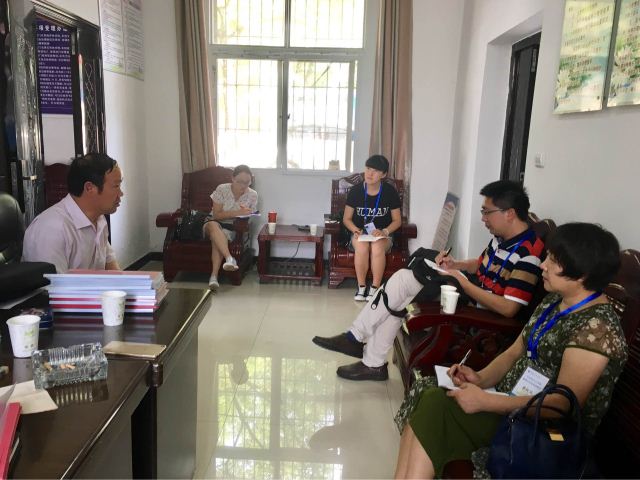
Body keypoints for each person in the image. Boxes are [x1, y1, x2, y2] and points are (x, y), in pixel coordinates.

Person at [393, 222, 628, 479]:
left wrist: (487, 401)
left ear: (582, 275)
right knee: (429, 390)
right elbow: (514, 352)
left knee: (438, 405)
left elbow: (561, 406)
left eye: (553, 261)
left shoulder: (598, 329)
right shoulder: (555, 301)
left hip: (540, 431)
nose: (543, 265)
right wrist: (479, 378)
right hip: (511, 401)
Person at [312, 180, 545, 381]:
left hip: (480, 315)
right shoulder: (502, 238)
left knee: (402, 288)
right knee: (401, 284)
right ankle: (365, 353)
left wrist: (462, 282)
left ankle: (361, 347)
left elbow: (509, 308)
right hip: (468, 294)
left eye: (487, 212)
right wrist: (456, 265)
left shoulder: (528, 253)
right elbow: (480, 264)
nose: (483, 218)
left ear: (509, 213)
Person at [22, 153, 123, 273]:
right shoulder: (52, 229)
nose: (121, 194)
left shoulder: (99, 219)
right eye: (116, 186)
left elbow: (110, 264)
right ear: (89, 188)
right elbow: (52, 283)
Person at [344, 154, 402, 302]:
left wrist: (384, 231)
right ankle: (361, 287)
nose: (370, 173)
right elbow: (346, 219)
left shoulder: (389, 192)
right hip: (360, 233)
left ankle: (375, 288)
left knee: (377, 247)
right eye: (368, 168)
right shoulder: (356, 191)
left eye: (375, 170)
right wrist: (355, 230)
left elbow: (397, 221)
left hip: (383, 234)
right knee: (362, 246)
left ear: (383, 174)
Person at [204, 164, 257, 291]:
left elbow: (252, 215)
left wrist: (248, 214)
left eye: (247, 182)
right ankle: (229, 258)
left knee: (217, 237)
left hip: (231, 227)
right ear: (232, 178)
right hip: (212, 222)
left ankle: (213, 277)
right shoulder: (222, 189)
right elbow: (216, 215)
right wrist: (238, 212)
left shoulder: (252, 195)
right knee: (213, 225)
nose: (243, 186)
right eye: (240, 182)